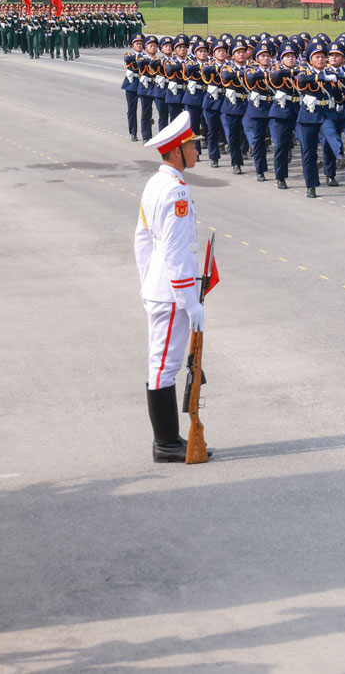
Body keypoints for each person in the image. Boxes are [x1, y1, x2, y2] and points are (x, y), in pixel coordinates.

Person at [135, 112, 206, 463]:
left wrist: (148, 279)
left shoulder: (155, 183)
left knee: (163, 362)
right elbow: (177, 251)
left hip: (160, 286)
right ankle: (165, 443)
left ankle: (169, 438)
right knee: (164, 365)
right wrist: (189, 300)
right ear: (177, 151)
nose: (197, 150)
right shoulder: (175, 190)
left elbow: (141, 240)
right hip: (172, 291)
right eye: (192, 145)